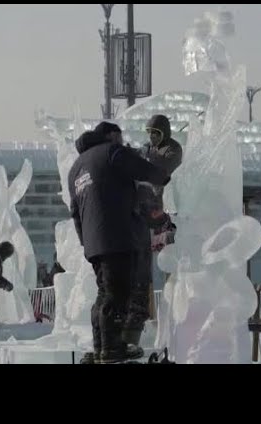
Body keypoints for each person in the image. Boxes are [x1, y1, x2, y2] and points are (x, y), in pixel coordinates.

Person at [69, 122, 170, 364]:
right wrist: (163, 177)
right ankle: (113, 349)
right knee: (116, 294)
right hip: (116, 236)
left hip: (95, 243)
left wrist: (87, 244)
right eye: (120, 137)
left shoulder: (76, 169)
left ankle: (102, 347)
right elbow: (141, 168)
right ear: (111, 136)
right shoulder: (111, 151)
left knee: (104, 293)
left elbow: (75, 212)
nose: (122, 141)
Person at [124, 115, 183, 347]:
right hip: (146, 208)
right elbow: (139, 159)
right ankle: (146, 311)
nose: (152, 137)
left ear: (164, 133)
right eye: (150, 132)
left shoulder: (173, 148)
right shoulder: (148, 147)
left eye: (156, 133)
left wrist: (146, 160)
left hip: (164, 206)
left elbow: (163, 168)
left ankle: (172, 312)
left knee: (169, 257)